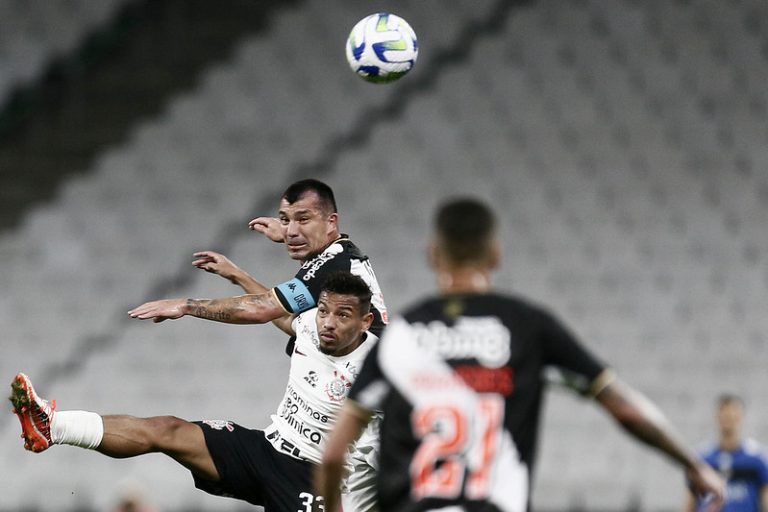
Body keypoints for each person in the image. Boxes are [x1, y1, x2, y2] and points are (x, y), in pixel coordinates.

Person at [316, 197, 725, 512]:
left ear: (433, 254)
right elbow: (625, 409)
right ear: (494, 255)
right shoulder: (528, 327)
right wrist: (691, 462)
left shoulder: (401, 335)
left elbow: (334, 453)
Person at [11, 272, 380, 512]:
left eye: (343, 315)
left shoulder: (382, 373)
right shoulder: (310, 327)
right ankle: (52, 427)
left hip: (313, 480)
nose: (328, 323)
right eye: (324, 311)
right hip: (266, 449)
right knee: (168, 430)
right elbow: (272, 311)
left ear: (365, 321)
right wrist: (237, 277)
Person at [128, 178, 388, 339]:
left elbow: (261, 309)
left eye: (303, 219)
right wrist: (237, 276)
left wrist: (187, 306)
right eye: (285, 220)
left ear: (331, 223)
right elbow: (291, 324)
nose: (292, 230)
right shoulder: (334, 259)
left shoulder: (334, 265)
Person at [685, 394, 768, 512]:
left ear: (740, 418)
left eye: (732, 417)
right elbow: (690, 500)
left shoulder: (757, 458)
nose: (728, 422)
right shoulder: (701, 458)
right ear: (717, 418)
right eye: (724, 417)